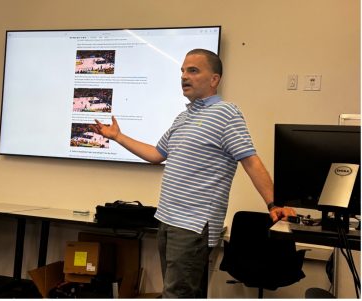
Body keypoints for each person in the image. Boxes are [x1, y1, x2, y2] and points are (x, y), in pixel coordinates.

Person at [90, 49, 296, 298]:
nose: (184, 76)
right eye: (183, 71)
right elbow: (156, 154)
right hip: (167, 219)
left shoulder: (226, 113)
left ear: (214, 79)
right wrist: (118, 137)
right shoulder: (184, 117)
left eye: (193, 70)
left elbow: (250, 161)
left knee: (177, 295)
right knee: (182, 293)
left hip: (193, 225)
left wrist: (274, 203)